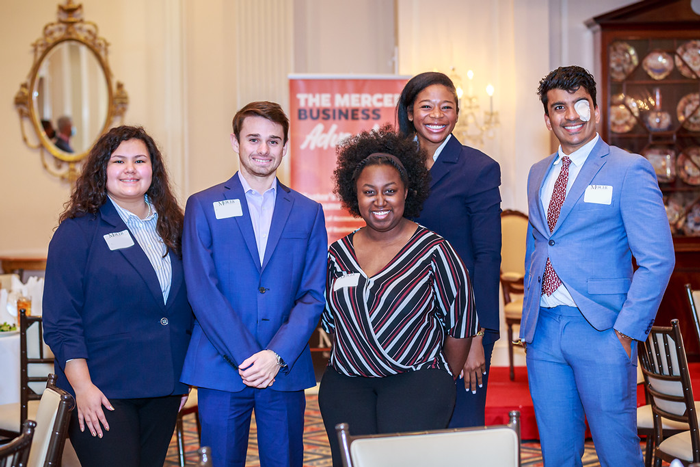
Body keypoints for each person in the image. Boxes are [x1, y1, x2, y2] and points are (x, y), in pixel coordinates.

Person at [522, 66, 675, 466]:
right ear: (547, 118)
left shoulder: (628, 168)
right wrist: (529, 321)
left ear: (596, 109)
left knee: (616, 452)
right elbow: (539, 246)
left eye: (580, 105)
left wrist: (625, 331)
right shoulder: (539, 172)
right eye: (559, 107)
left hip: (603, 331)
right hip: (545, 333)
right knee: (556, 452)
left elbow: (658, 259)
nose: (571, 115)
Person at [319, 125, 479, 467]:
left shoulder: (435, 251)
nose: (379, 201)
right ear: (354, 195)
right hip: (346, 385)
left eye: (390, 190)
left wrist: (435, 378)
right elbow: (333, 324)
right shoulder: (337, 254)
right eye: (369, 192)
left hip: (416, 384)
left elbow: (461, 326)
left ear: (407, 191)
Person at [180, 101, 327, 467]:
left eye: (274, 141)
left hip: (284, 367)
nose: (264, 150)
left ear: (285, 146)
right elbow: (202, 290)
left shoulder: (308, 212)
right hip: (221, 366)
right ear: (235, 142)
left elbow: (313, 294)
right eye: (254, 139)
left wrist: (275, 356)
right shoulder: (203, 205)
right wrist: (250, 358)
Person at [43, 125, 194, 467]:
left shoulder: (177, 226)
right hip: (102, 390)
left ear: (152, 170)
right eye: (118, 161)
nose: (130, 169)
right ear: (102, 170)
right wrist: (82, 388)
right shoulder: (78, 232)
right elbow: (61, 321)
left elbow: (190, 308)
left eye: (139, 160)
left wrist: (184, 378)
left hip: (164, 387)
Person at [396, 71, 501, 427]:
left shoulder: (479, 169)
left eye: (447, 107)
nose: (437, 115)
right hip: (403, 318)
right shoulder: (391, 165)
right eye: (426, 106)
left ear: (457, 113)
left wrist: (475, 337)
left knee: (460, 428)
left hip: (460, 321)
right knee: (412, 427)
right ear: (410, 111)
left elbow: (487, 258)